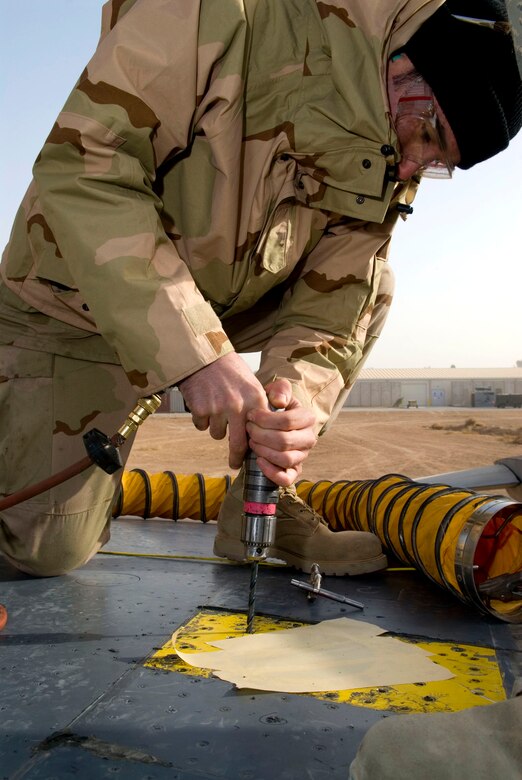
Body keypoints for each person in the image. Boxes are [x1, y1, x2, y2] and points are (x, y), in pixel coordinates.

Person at [0, 0, 520, 577]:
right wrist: (194, 354)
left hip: (211, 306)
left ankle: (262, 501)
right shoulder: (222, 13)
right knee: (44, 553)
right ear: (402, 68)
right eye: (426, 133)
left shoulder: (392, 149)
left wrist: (290, 412)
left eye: (436, 163)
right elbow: (82, 166)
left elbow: (335, 298)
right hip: (71, 309)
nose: (410, 166)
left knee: (374, 284)